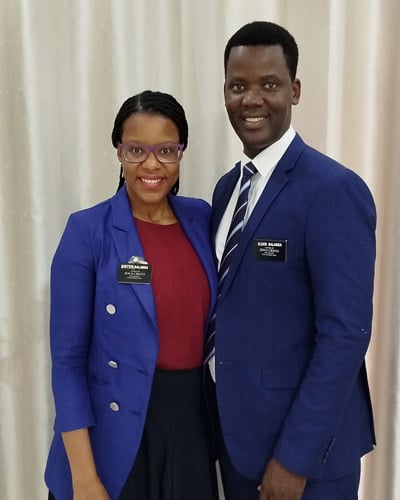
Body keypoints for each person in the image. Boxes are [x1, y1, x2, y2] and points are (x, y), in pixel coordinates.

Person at [206, 21, 376, 500]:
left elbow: (345, 335)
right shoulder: (227, 190)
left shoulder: (333, 190)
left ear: (295, 90)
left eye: (270, 84)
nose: (251, 99)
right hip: (238, 444)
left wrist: (293, 459)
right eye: (238, 85)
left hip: (305, 461)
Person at [44, 90, 219, 500]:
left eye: (166, 150)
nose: (152, 164)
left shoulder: (202, 217)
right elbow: (67, 363)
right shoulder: (87, 231)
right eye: (137, 149)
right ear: (118, 152)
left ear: (181, 152)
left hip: (190, 425)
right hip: (111, 434)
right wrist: (85, 481)